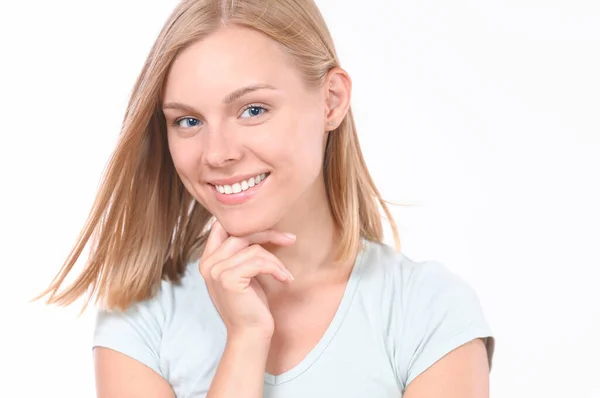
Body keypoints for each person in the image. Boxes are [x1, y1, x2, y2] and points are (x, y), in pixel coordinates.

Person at [38, 0, 495, 397]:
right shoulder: (141, 319)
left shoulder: (428, 313)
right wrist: (245, 340)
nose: (217, 153)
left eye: (252, 110)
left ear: (332, 101)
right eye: (188, 121)